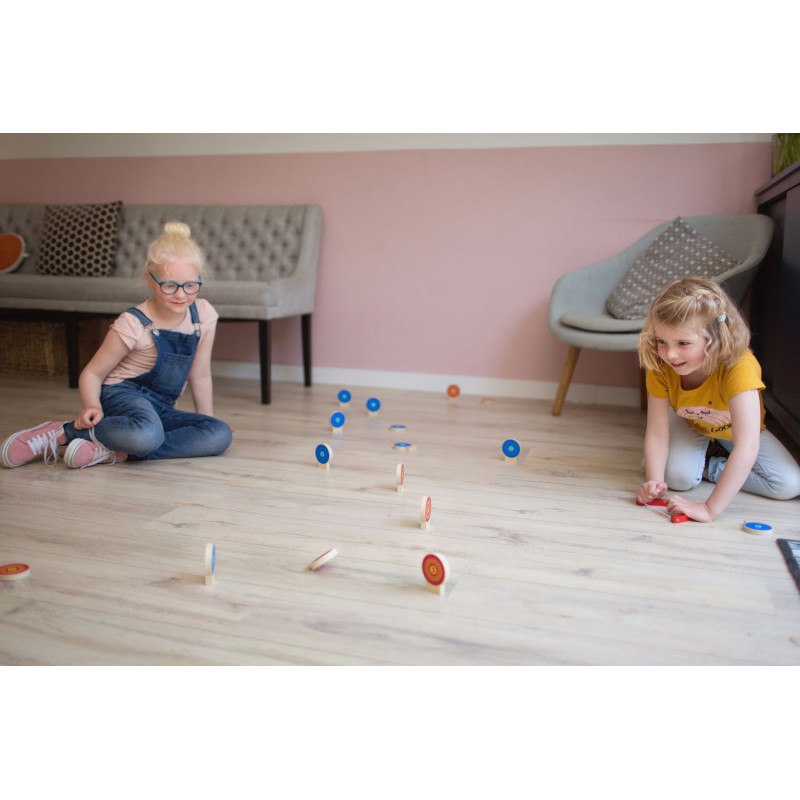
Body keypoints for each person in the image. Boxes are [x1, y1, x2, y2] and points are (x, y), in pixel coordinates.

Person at [1, 221, 233, 469]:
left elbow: (200, 376)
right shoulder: (133, 323)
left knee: (219, 434)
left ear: (199, 280)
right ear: (150, 280)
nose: (181, 294)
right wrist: (92, 406)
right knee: (147, 434)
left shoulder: (203, 316)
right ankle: (67, 432)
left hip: (161, 407)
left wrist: (205, 422)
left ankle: (112, 450)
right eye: (169, 285)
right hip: (122, 396)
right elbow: (92, 373)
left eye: (190, 285)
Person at [636, 277, 800, 521]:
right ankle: (690, 459)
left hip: (734, 433)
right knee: (677, 479)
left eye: (683, 343)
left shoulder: (739, 367)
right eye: (662, 341)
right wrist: (654, 482)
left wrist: (709, 508)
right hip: (689, 421)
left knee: (788, 484)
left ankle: (710, 464)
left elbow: (747, 445)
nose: (671, 354)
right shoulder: (660, 365)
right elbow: (657, 432)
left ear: (715, 338)